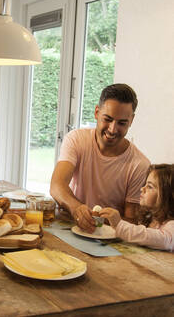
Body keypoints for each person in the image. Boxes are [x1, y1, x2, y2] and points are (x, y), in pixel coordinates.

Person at [50, 83, 150, 233]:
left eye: (122, 123)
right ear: (97, 112)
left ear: (132, 120)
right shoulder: (76, 139)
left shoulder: (140, 164)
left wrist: (102, 222)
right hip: (70, 226)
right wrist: (76, 208)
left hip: (109, 238)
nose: (112, 129)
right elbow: (57, 185)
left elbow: (131, 221)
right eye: (107, 119)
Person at [100, 164, 173, 251]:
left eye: (149, 186)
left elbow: (163, 241)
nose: (142, 189)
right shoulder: (149, 218)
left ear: (167, 195)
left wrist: (119, 225)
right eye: (145, 184)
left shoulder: (171, 225)